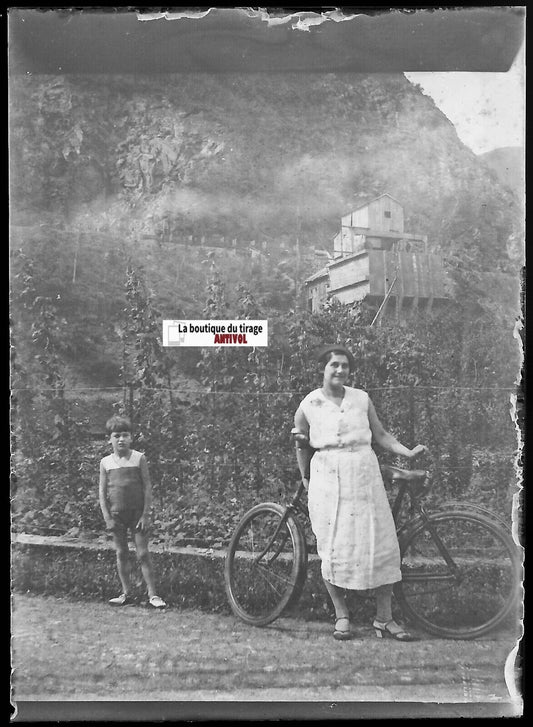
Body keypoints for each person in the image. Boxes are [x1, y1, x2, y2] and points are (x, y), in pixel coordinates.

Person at [292, 345, 426, 641]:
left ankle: (384, 618)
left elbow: (380, 435)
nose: (340, 370)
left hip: (364, 475)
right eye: (334, 365)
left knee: (380, 543)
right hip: (327, 476)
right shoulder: (309, 404)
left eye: (345, 366)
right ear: (323, 369)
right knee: (332, 547)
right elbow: (301, 443)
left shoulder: (361, 399)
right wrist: (305, 477)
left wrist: (408, 452)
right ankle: (342, 615)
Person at [99, 415, 166, 609]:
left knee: (143, 554)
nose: (121, 439)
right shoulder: (106, 463)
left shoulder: (139, 458)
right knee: (121, 553)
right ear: (109, 439)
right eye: (116, 435)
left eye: (125, 435)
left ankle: (153, 594)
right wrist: (107, 517)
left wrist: (145, 515)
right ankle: (126, 593)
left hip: (137, 515)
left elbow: (147, 487)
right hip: (116, 515)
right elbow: (102, 492)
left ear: (131, 438)